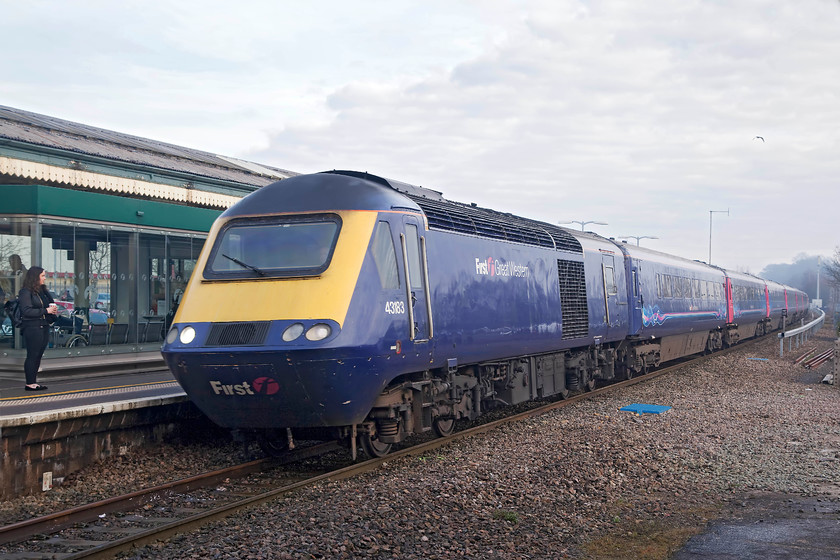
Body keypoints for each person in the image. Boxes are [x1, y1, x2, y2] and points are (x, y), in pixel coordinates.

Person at [18, 266, 57, 391]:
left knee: (38, 355)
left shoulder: (41, 291)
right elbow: (26, 311)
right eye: (42, 276)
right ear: (35, 277)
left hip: (43, 326)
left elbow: (47, 306)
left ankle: (34, 382)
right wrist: (46, 310)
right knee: (32, 355)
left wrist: (52, 310)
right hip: (32, 327)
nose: (45, 278)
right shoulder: (25, 292)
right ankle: (30, 383)